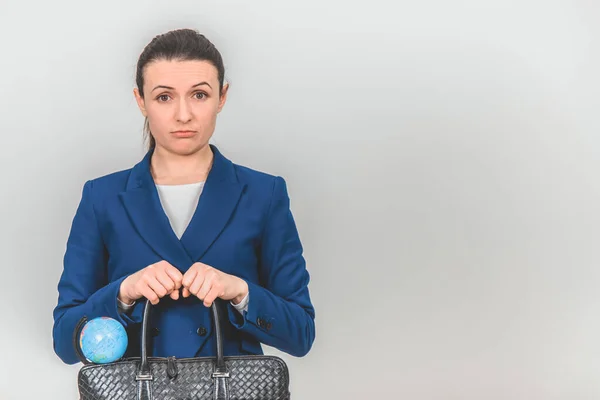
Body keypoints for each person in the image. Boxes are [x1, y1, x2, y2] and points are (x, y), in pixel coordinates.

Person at [52, 28, 316, 364]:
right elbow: (64, 341)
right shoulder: (102, 197)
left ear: (222, 97)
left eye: (199, 95)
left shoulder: (264, 194)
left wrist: (240, 292)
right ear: (140, 101)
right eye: (164, 97)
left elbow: (301, 333)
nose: (183, 115)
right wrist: (123, 293)